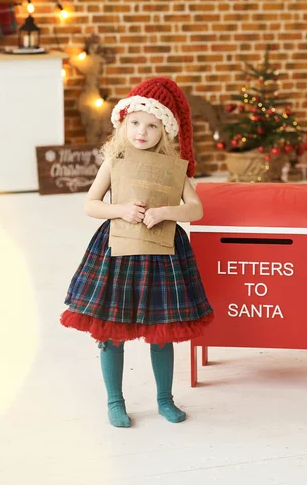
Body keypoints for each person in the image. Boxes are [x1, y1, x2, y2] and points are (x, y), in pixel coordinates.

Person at [60, 77, 214, 428]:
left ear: (165, 131)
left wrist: (165, 212)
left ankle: (165, 398)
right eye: (134, 123)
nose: (141, 132)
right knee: (111, 330)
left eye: (151, 125)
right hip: (118, 250)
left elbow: (196, 209)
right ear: (123, 123)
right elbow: (91, 204)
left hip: (163, 255)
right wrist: (121, 210)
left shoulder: (176, 170)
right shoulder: (115, 161)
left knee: (163, 331)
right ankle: (115, 400)